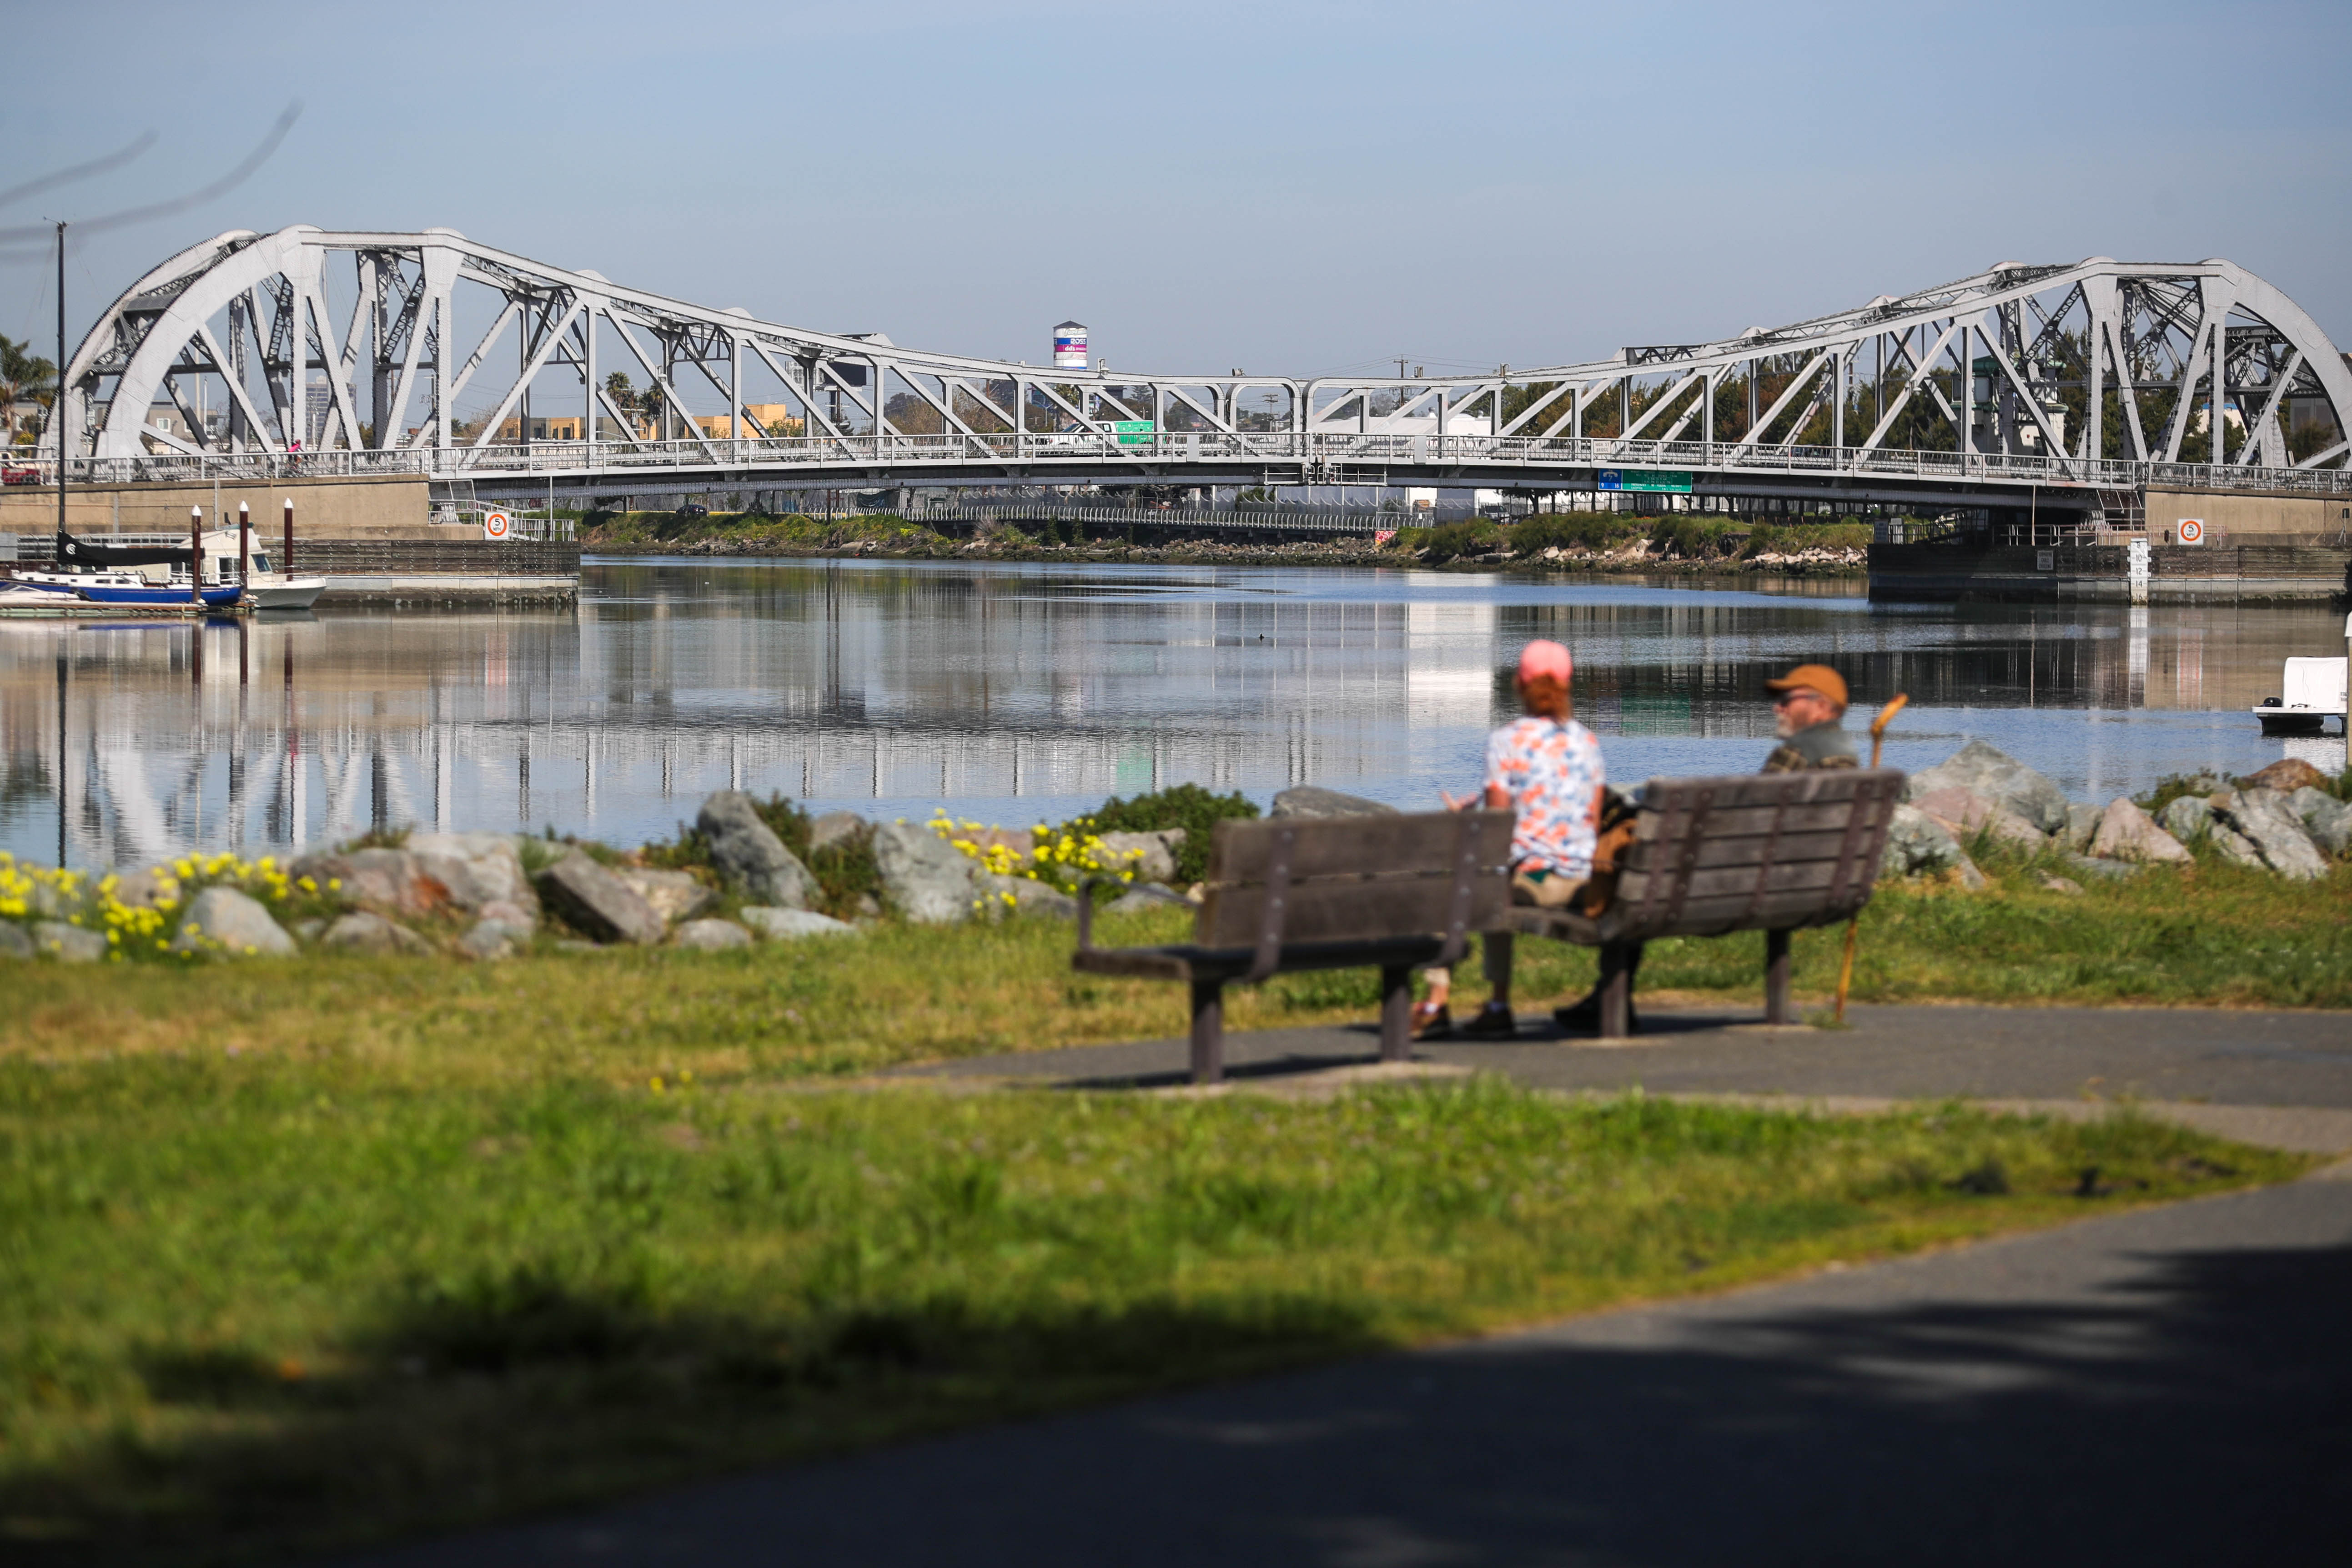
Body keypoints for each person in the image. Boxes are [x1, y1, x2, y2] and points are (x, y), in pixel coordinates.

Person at [1553, 662, 1858, 1035]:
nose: (1777, 708)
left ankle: (1607, 997)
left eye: (1787, 700)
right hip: (1810, 886)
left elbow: (1750, 822)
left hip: (1742, 887)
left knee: (1634, 874)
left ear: (1822, 706)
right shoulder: (1850, 763)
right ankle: (1603, 997)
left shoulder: (1794, 756)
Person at [1415, 639, 1606, 1040]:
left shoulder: (1506, 741)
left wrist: (1462, 824)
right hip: (1585, 879)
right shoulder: (1587, 743)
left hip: (1536, 881)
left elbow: (1499, 827)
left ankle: (1438, 999)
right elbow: (1591, 817)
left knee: (1465, 878)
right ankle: (1495, 1002)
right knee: (1495, 878)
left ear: (1520, 683)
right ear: (1567, 686)